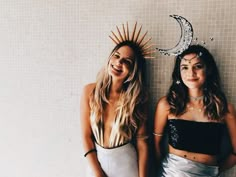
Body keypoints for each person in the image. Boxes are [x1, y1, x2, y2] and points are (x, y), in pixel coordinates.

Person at [80, 22, 153, 177]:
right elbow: (86, 135)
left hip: (126, 165)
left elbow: (142, 143)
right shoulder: (89, 91)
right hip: (96, 164)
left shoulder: (138, 99)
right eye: (116, 56)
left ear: (133, 70)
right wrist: (98, 173)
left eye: (127, 61)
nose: (119, 62)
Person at [153, 45, 236, 177]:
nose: (191, 73)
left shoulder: (223, 108)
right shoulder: (167, 104)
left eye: (198, 66)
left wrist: (214, 170)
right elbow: (156, 145)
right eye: (185, 67)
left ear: (208, 70)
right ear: (178, 72)